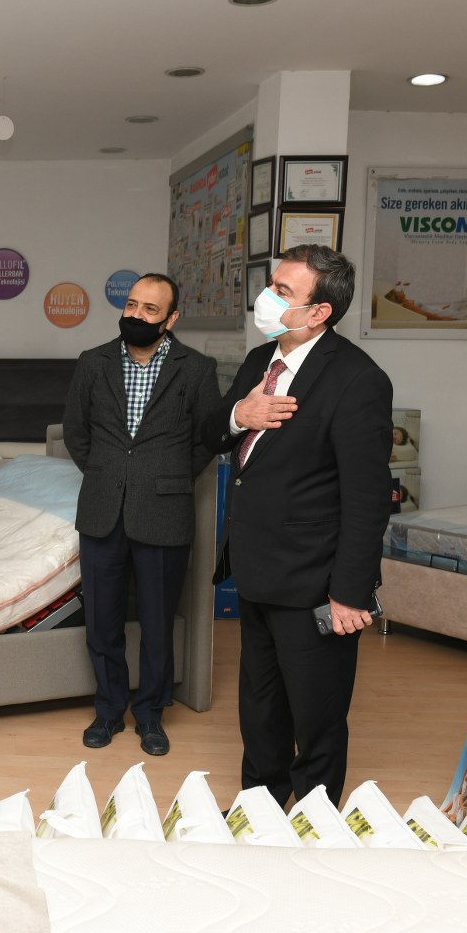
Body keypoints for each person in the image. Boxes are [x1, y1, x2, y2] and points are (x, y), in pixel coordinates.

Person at [201, 244, 392, 808]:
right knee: (260, 703)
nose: (266, 297)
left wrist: (350, 592)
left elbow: (367, 499)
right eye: (271, 285)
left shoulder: (358, 379)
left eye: (282, 291)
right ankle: (260, 804)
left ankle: (314, 818)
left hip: (314, 578)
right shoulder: (261, 359)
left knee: (317, 712)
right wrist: (240, 415)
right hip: (256, 566)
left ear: (319, 312)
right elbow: (212, 433)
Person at [64, 273, 220, 755]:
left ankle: (151, 714)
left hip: (164, 512)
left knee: (157, 625)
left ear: (171, 319)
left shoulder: (197, 369)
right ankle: (109, 710)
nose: (136, 314)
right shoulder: (93, 362)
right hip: (102, 510)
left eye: (150, 309)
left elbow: (206, 440)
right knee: (102, 624)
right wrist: (110, 475)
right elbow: (76, 433)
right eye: (132, 305)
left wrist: (165, 478)